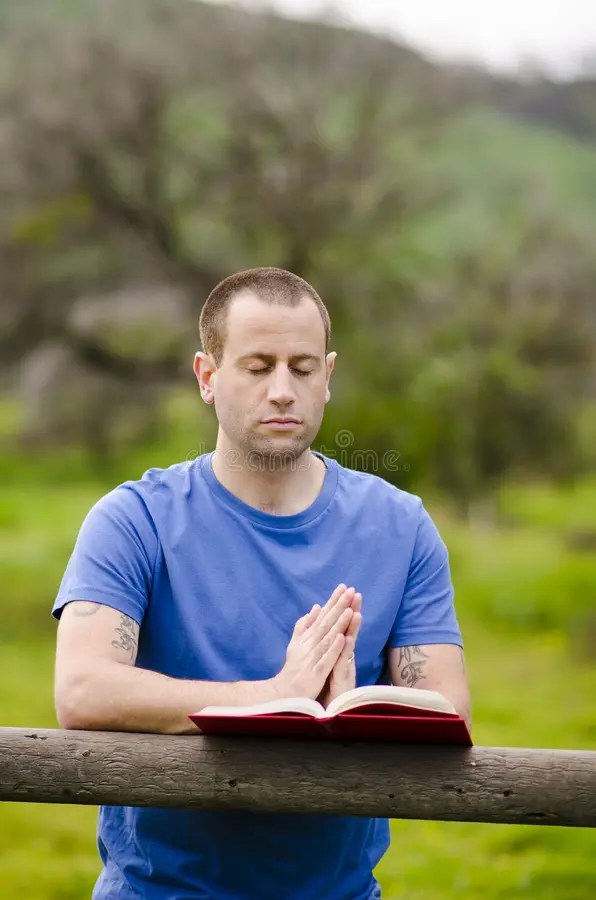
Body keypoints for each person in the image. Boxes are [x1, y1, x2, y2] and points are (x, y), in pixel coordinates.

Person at [53, 266, 471, 900]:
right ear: (207, 376)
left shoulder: (401, 526)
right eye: (257, 367)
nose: (282, 391)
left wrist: (354, 714)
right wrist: (274, 695)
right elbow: (82, 690)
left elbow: (449, 710)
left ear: (328, 377)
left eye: (302, 368)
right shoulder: (134, 519)